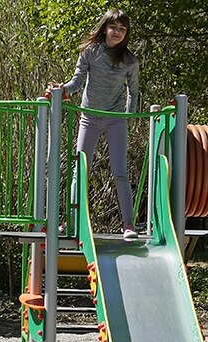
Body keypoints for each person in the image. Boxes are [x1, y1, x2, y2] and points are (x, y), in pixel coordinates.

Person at [46, 9, 140, 240]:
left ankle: (128, 224)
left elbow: (134, 92)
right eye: (114, 27)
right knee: (81, 169)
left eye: (122, 29)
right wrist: (63, 90)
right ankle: (72, 220)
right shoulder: (91, 52)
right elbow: (77, 81)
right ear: (105, 28)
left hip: (115, 119)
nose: (117, 32)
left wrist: (129, 117)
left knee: (119, 171)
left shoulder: (129, 60)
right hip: (89, 116)